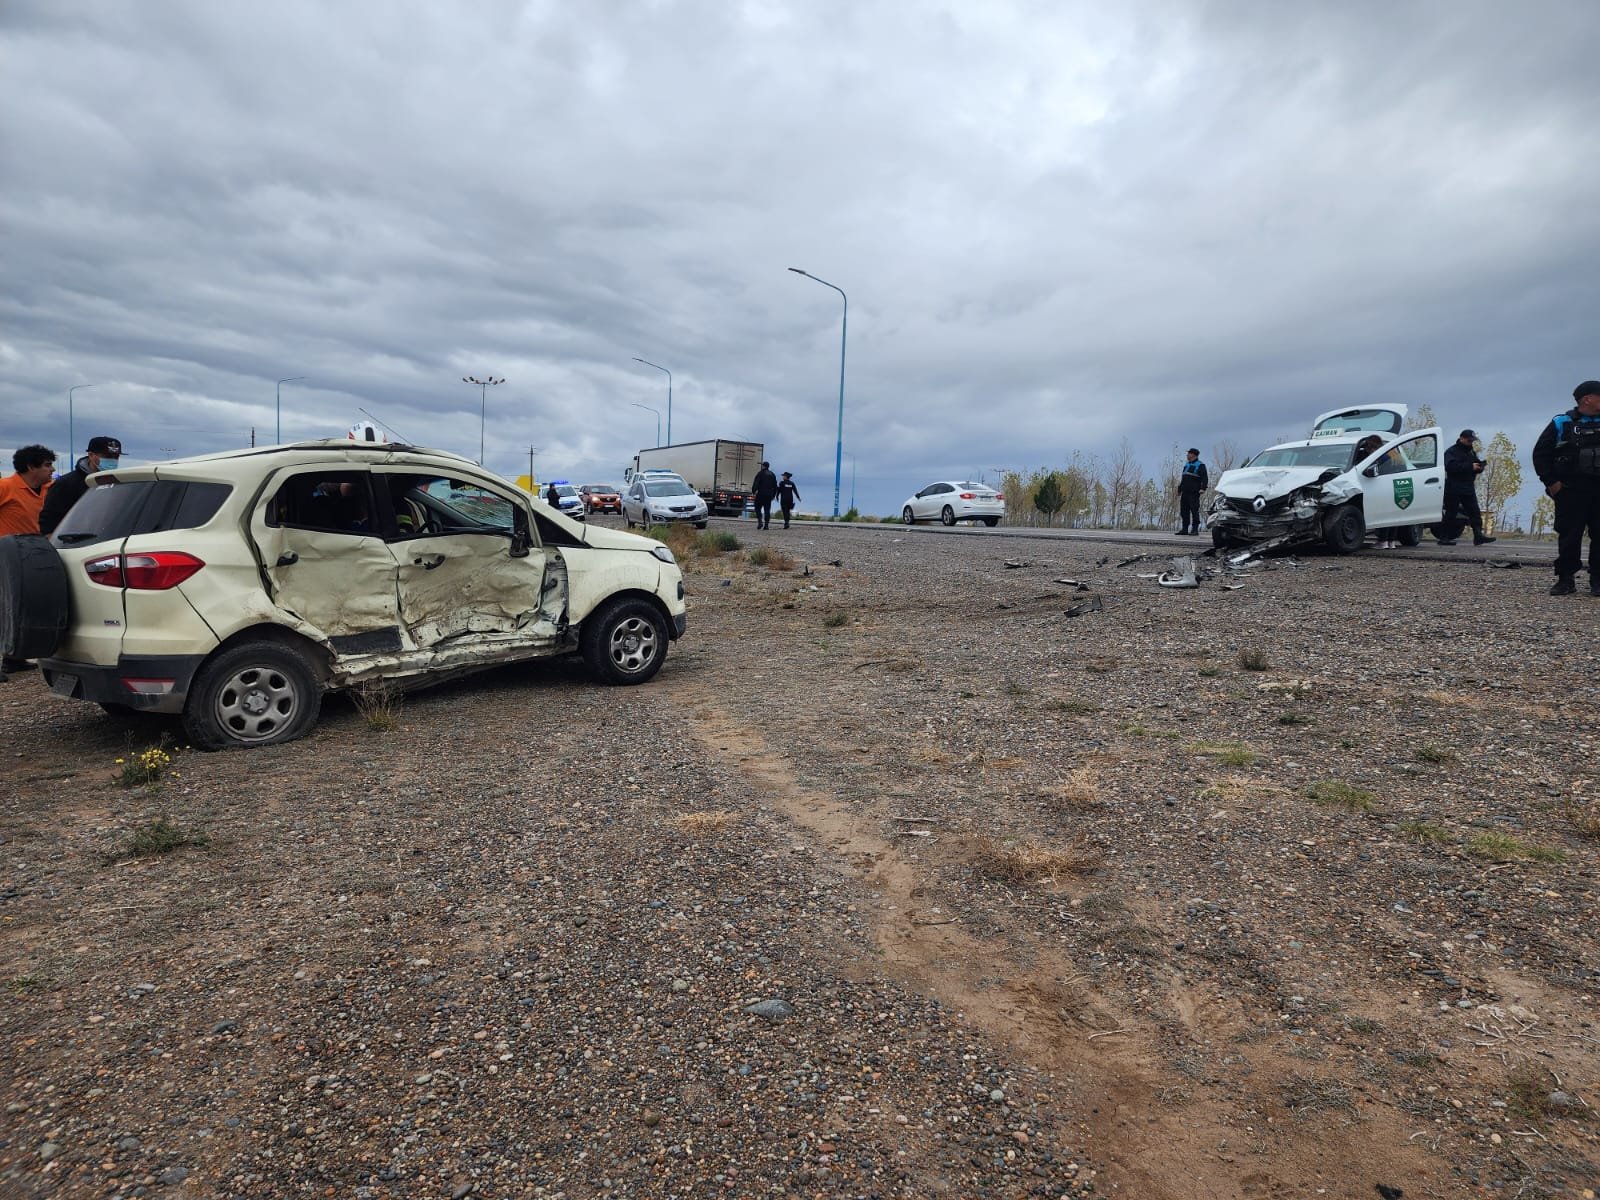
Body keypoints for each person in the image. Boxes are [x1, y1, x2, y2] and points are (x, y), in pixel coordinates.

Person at [1531, 380, 1600, 596]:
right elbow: (1540, 454)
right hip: (1571, 490)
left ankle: (1598, 582)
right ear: (1587, 399)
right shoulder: (1562, 422)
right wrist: (1552, 483)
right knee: (1569, 536)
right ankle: (1565, 580)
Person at [1, 445, 57, 679]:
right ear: (31, 466)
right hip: (5, 557)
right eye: (46, 465)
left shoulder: (49, 489)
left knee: (19, 607)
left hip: (31, 556)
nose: (51, 469)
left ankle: (13, 659)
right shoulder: (6, 487)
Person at [38, 435, 121, 537]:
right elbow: (49, 521)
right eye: (107, 457)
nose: (112, 461)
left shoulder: (118, 483)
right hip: (74, 543)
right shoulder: (67, 483)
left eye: (116, 457)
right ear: (91, 455)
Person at [1431, 430, 1495, 546]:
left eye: (1472, 441)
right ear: (1462, 438)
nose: (1471, 442)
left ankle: (1478, 536)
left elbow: (1474, 464)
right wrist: (1470, 467)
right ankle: (1444, 538)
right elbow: (1450, 467)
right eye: (1469, 440)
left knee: (1474, 512)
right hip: (1454, 486)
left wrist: (1479, 467)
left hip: (1468, 486)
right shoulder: (1451, 452)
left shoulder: (1471, 451)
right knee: (1451, 513)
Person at [0, 445, 55, 538]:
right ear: (31, 467)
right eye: (47, 465)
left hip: (43, 549)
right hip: (9, 550)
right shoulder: (4, 487)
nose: (53, 469)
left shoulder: (53, 489)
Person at [1176, 448, 1207, 535]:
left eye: (1189, 453)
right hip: (1185, 492)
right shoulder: (1186, 465)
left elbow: (1205, 478)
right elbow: (1183, 479)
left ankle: (1195, 529)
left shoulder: (1200, 465)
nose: (1187, 455)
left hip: (1194, 492)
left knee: (1194, 510)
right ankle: (1185, 529)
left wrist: (1203, 488)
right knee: (1184, 511)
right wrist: (1179, 489)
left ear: (1194, 455)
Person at [751, 461, 778, 530]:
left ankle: (760, 521)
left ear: (763, 466)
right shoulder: (772, 474)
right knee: (767, 510)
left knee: (757, 508)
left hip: (760, 494)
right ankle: (766, 525)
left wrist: (753, 492)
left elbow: (756, 483)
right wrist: (773, 495)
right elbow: (775, 486)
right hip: (769, 495)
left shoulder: (760, 473)